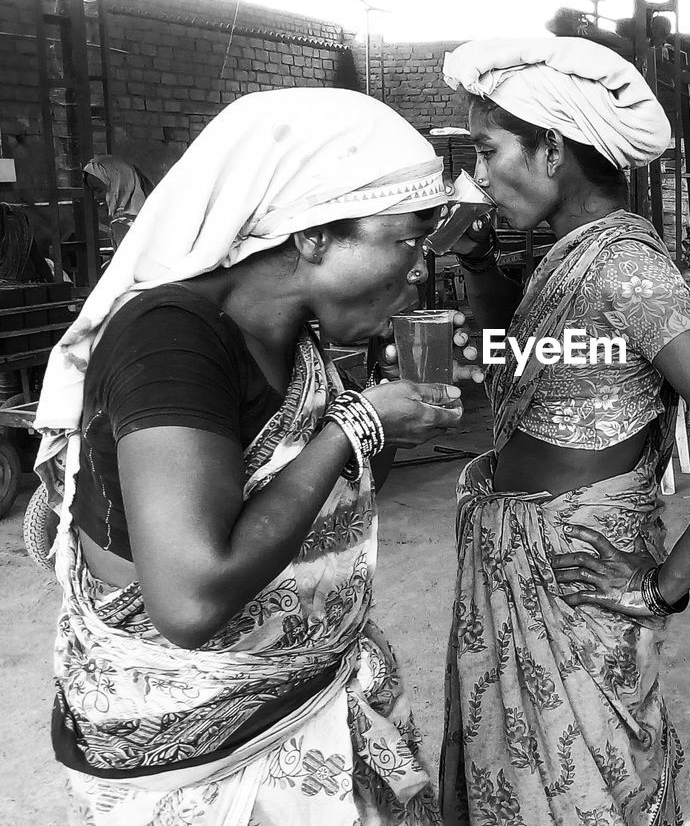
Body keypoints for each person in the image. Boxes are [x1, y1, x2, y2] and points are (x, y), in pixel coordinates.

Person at [34, 87, 479, 825]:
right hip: (192, 739)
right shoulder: (169, 340)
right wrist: (358, 424)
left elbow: (325, 504)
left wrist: (390, 415)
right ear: (312, 235)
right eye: (405, 241)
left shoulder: (292, 335)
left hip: (302, 687)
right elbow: (190, 601)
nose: (420, 271)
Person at [436, 37, 690, 825]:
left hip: (573, 577)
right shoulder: (569, 258)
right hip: (525, 561)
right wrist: (484, 270)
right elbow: (520, 367)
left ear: (553, 149)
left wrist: (667, 587)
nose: (481, 174)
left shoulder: (622, 267)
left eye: (489, 151)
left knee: (587, 786)